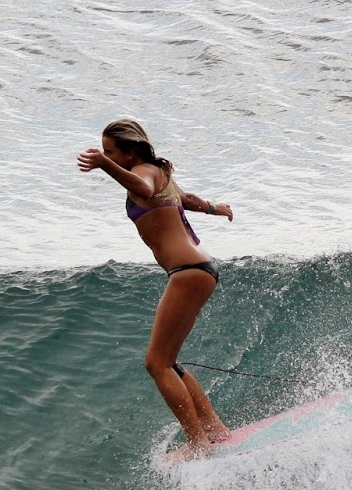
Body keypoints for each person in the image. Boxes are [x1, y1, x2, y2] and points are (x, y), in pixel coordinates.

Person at [77, 118, 235, 460]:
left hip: (188, 272)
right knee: (169, 361)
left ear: (131, 152)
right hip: (200, 270)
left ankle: (197, 443)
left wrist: (105, 166)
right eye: (104, 152)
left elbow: (145, 190)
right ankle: (213, 430)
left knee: (156, 364)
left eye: (111, 151)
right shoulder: (160, 172)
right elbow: (185, 198)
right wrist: (214, 208)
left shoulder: (145, 173)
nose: (106, 156)